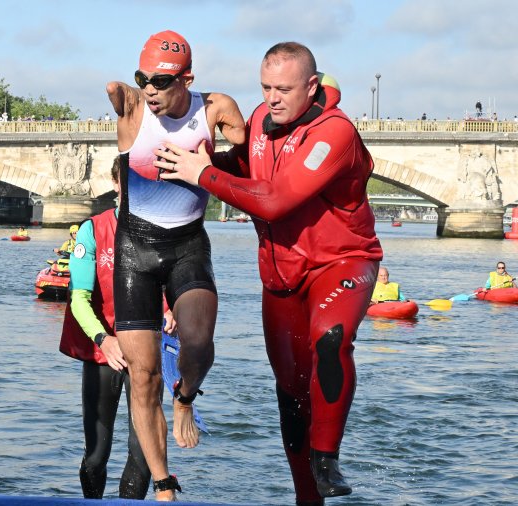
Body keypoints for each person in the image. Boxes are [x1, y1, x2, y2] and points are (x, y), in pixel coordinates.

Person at [154, 42, 383, 504]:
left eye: (284, 89)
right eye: (265, 87)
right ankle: (307, 496)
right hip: (280, 277)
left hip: (341, 262)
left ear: (312, 86)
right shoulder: (259, 119)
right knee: (291, 394)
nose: (273, 98)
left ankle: (327, 457)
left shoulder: (333, 133)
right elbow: (241, 170)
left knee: (332, 337)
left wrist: (201, 175)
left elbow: (275, 200)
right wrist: (191, 162)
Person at [106, 29, 245, 500]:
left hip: (188, 245)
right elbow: (118, 91)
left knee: (199, 342)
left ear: (187, 78)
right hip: (135, 252)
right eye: (143, 78)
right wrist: (131, 89)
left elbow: (252, 162)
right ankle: (163, 485)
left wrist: (213, 161)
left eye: (162, 82)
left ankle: (184, 397)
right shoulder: (132, 107)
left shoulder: (215, 109)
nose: (150, 89)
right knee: (142, 377)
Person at [59, 157, 175, 499]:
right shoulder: (92, 231)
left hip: (146, 351)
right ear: (116, 184)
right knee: (96, 455)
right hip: (103, 353)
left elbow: (179, 286)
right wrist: (103, 340)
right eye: (128, 181)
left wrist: (177, 310)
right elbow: (78, 299)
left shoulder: (165, 232)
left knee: (142, 457)